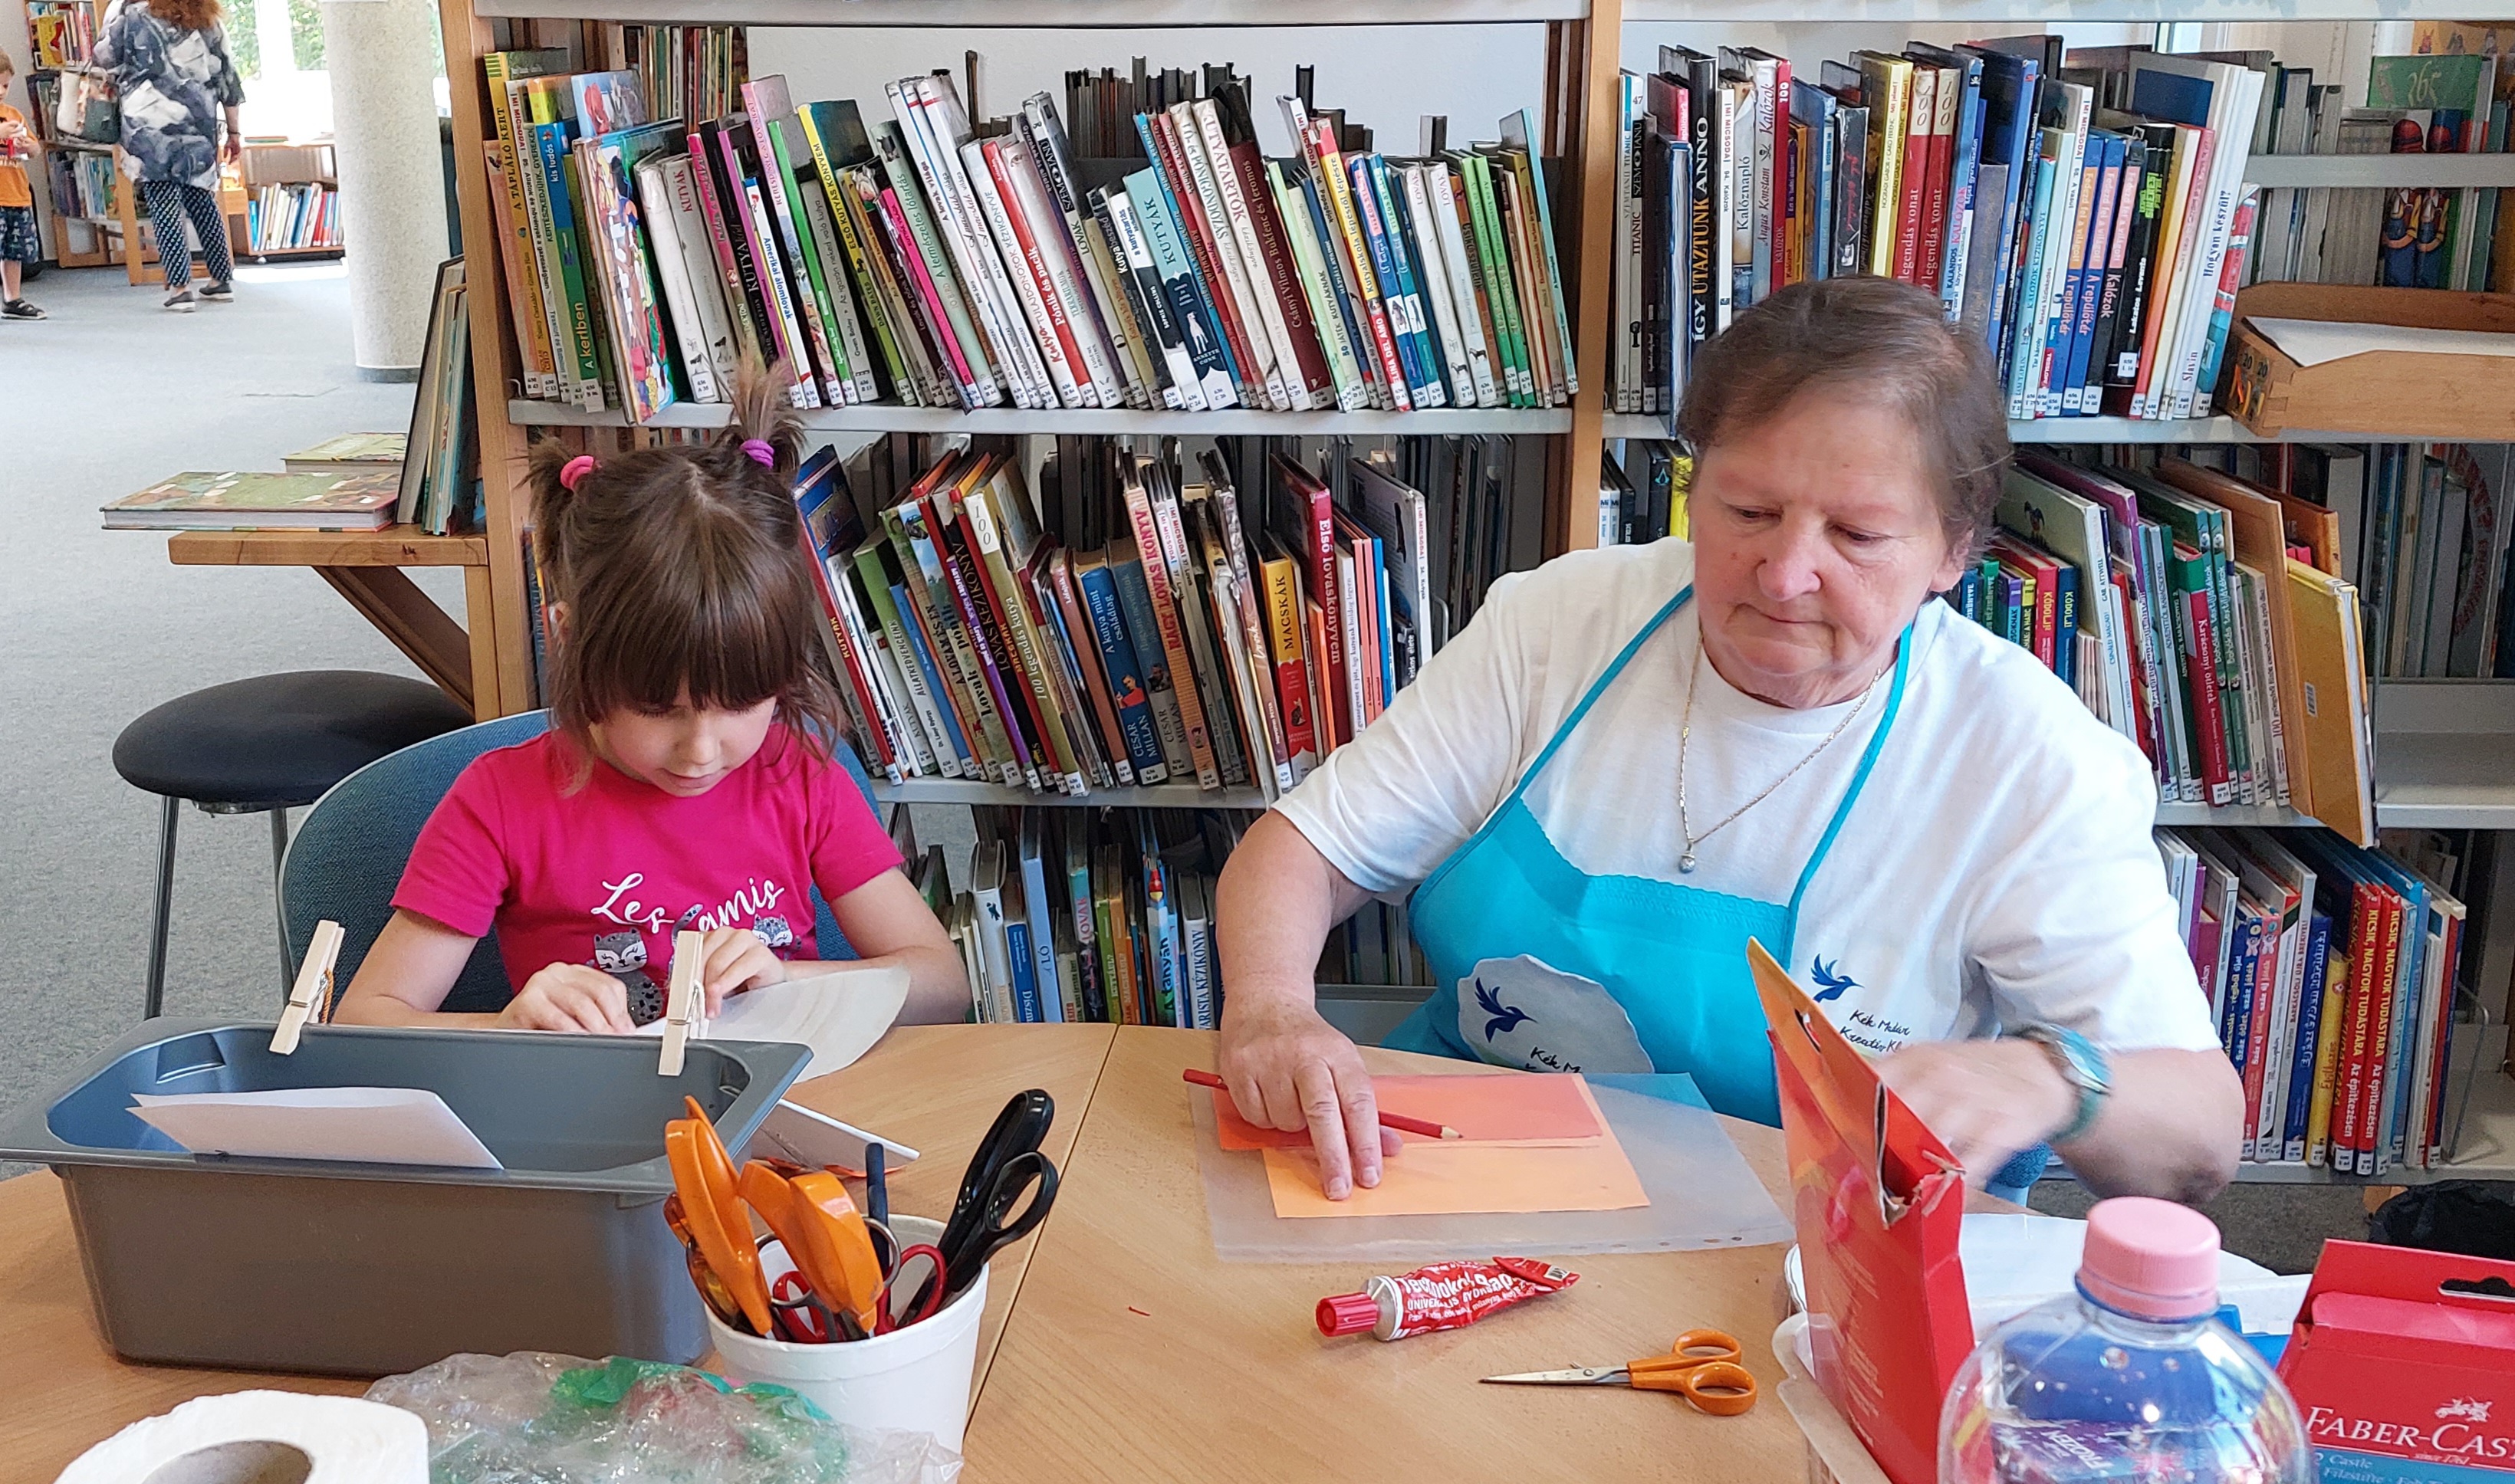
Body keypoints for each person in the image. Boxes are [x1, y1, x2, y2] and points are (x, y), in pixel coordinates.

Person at [1215, 277, 2242, 1206]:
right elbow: (1307, 850)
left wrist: (2055, 1078)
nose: (1785, 574)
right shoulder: (1561, 621)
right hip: (1463, 1177)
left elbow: (2201, 1139)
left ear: (1954, 552)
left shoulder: (2030, 761)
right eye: (1748, 510)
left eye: (1857, 535)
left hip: (1803, 1256)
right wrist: (1270, 1008)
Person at [334, 366, 969, 1033]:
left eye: (743, 703)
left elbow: (942, 983)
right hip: (591, 1097)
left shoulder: (803, 776)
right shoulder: (499, 803)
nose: (701, 751)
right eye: (659, 709)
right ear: (567, 638)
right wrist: (508, 1029)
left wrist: (789, 983)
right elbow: (363, 1024)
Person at [90, 0, 242, 312]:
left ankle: (180, 288)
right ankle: (221, 279)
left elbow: (104, 61)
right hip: (197, 123)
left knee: (163, 202)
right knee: (202, 197)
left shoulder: (128, 10)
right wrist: (235, 132)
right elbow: (228, 79)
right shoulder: (207, 16)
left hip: (147, 122)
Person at [0, 52, 44, 320]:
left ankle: (12, 298)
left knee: (13, 252)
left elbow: (34, 150)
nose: (1, 91)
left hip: (17, 194)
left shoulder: (13, 114)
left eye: (5, 85)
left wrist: (30, 146)